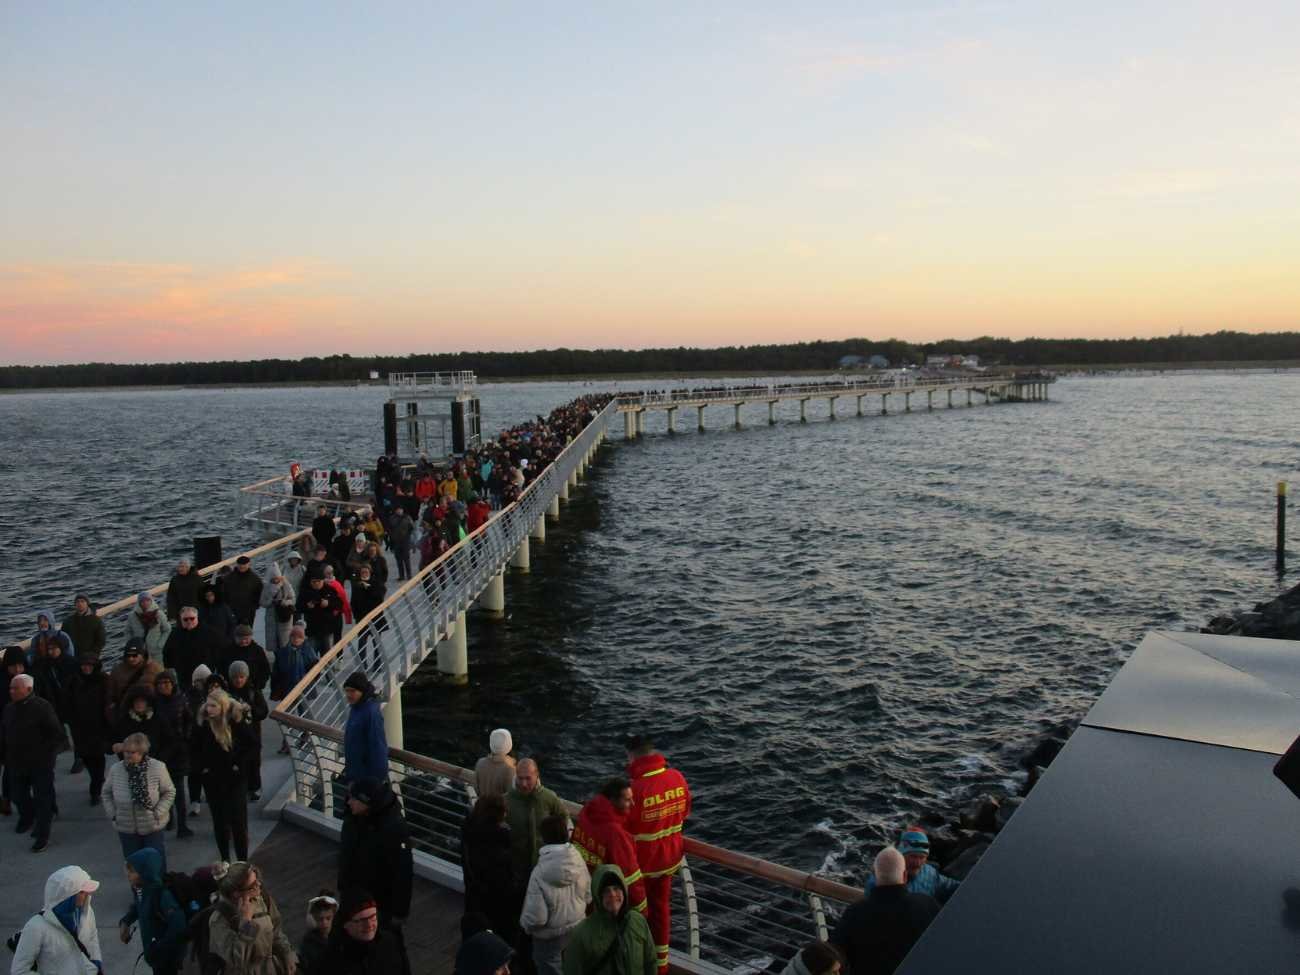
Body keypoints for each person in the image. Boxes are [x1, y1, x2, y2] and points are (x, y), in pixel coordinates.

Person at [624, 736, 691, 973]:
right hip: (670, 859)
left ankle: (637, 963)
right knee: (662, 913)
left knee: (636, 915)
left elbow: (625, 825)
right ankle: (661, 967)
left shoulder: (635, 789)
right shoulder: (677, 778)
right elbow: (685, 812)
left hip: (641, 865)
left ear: (632, 757)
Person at [831, 847, 940, 975]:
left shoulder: (854, 913)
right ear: (904, 876)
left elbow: (832, 954)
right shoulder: (928, 905)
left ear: (875, 875)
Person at [338, 778, 413, 931]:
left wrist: (399, 912)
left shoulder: (394, 829)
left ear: (366, 802)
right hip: (353, 895)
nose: (349, 802)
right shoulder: (353, 819)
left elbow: (402, 873)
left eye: (353, 798)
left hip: (378, 904)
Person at [521, 814, 591, 975]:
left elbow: (536, 918)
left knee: (547, 963)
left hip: (549, 935)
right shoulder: (578, 858)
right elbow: (588, 894)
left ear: (544, 837)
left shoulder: (539, 872)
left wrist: (526, 927)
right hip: (577, 925)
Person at [2, 673, 64, 853]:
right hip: (15, 762)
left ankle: (43, 834)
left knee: (42, 797)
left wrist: (46, 756)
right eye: (10, 688)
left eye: (15, 688)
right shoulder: (9, 709)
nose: (11, 691)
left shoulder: (42, 708)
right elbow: (4, 734)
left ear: (28, 690)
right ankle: (28, 817)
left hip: (39, 763)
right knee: (17, 795)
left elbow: (56, 735)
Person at [195, 689, 257, 862]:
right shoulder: (203, 725)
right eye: (207, 705)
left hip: (235, 779)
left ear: (222, 706)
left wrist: (239, 765)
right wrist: (202, 769)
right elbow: (194, 749)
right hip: (213, 780)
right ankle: (225, 861)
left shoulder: (236, 722)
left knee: (238, 823)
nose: (209, 709)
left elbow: (252, 745)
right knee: (220, 823)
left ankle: (243, 861)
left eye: (213, 706)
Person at [572, 777, 648, 917]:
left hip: (581, 894)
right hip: (606, 903)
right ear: (613, 801)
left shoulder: (587, 813)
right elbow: (631, 878)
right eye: (627, 800)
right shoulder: (615, 834)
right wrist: (641, 912)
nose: (632, 803)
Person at [561, 865, 655, 975]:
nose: (612, 895)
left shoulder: (638, 921)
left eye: (616, 888)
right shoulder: (581, 935)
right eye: (606, 891)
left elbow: (650, 962)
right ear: (597, 896)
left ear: (624, 890)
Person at [207, 861, 298, 975]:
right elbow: (237, 960)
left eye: (257, 880)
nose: (259, 885)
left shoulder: (261, 899)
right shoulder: (219, 920)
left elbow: (276, 930)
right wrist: (246, 922)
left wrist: (286, 953)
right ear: (236, 893)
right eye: (252, 885)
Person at [10, 865, 104, 975]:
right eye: (82, 892)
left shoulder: (86, 912)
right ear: (67, 897)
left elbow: (92, 937)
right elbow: (19, 971)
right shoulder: (35, 927)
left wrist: (97, 962)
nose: (88, 894)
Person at [102, 730, 176, 866]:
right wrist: (113, 814)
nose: (128, 755)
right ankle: (138, 888)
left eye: (132, 752)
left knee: (156, 864)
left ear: (142, 752)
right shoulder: (116, 769)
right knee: (134, 867)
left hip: (152, 826)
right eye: (126, 752)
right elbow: (106, 793)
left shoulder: (157, 767)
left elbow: (169, 792)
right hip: (126, 827)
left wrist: (158, 813)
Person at [119, 847, 188, 975]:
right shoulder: (142, 890)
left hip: (166, 958)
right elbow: (138, 907)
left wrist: (158, 948)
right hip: (155, 956)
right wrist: (126, 921)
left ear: (146, 872)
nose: (128, 874)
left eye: (132, 871)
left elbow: (178, 925)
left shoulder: (162, 895)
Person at [459, 794, 517, 943]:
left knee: (475, 924)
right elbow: (504, 872)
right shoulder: (500, 837)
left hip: (473, 888)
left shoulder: (468, 826)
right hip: (495, 895)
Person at [506, 758, 569, 883]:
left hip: (543, 864)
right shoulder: (507, 800)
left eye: (528, 778)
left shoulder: (548, 797)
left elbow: (563, 816)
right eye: (520, 778)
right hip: (515, 865)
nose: (523, 784)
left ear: (537, 775)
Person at [865, 827, 961, 905]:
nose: (917, 863)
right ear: (900, 856)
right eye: (913, 856)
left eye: (922, 857)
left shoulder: (930, 873)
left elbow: (952, 887)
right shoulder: (879, 882)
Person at [319, 888, 405, 975]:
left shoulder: (391, 941)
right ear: (346, 924)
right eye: (361, 920)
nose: (369, 925)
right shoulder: (333, 959)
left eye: (372, 917)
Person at [152, 668, 195, 838]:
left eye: (166, 683)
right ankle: (169, 819)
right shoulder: (154, 703)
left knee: (177, 789)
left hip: (178, 751)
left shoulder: (181, 700)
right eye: (160, 684)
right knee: (164, 789)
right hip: (161, 752)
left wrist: (185, 738)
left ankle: (182, 824)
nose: (163, 687)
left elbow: (189, 721)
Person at [66, 653, 111, 803]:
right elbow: (68, 702)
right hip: (80, 727)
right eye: (83, 665)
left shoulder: (103, 680)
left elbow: (108, 701)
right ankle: (97, 780)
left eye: (89, 665)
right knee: (86, 757)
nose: (86, 668)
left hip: (98, 725)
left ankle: (95, 789)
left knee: (98, 757)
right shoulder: (73, 681)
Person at [227, 660, 269, 800]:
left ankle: (255, 787)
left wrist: (250, 708)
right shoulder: (228, 694)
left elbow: (263, 711)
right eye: (235, 677)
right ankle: (243, 788)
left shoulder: (253, 692)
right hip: (235, 736)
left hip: (253, 734)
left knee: (254, 762)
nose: (238, 680)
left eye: (241, 677)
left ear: (246, 677)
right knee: (239, 763)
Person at [341, 673, 387, 788]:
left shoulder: (371, 713)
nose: (348, 695)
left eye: (352, 691)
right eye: (347, 691)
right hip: (355, 773)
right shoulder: (356, 707)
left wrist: (376, 780)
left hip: (365, 778)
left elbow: (378, 746)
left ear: (362, 691)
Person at [163, 606, 216, 688]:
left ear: (197, 618)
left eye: (192, 618)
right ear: (181, 620)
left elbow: (217, 651)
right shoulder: (175, 634)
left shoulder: (207, 632)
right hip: (183, 676)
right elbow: (166, 652)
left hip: (204, 674)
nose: (189, 621)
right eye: (185, 619)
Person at [272, 625, 317, 705]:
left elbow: (314, 668)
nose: (296, 639)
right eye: (293, 637)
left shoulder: (308, 651)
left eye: (299, 637)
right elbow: (276, 672)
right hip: (288, 687)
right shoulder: (283, 652)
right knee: (287, 710)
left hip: (303, 687)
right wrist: (275, 689)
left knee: (303, 710)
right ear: (290, 638)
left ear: (303, 639)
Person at [259, 564, 297, 658]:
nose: (276, 580)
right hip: (271, 617)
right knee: (274, 642)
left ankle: (284, 659)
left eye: (278, 578)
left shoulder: (286, 585)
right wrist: (271, 599)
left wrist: (286, 602)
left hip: (284, 616)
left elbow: (293, 599)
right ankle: (278, 659)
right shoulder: (266, 587)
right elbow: (262, 602)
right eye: (274, 578)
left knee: (285, 641)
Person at [298, 891, 337, 975]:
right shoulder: (309, 943)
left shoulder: (341, 937)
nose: (324, 923)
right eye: (320, 919)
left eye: (328, 918)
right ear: (314, 919)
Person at [128, 592, 173, 662]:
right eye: (142, 601)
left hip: (156, 651)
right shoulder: (132, 616)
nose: (145, 603)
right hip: (140, 651)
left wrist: (160, 644)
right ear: (139, 603)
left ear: (151, 601)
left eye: (148, 600)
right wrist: (132, 644)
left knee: (158, 670)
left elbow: (167, 629)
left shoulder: (159, 614)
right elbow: (128, 631)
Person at [223, 556, 265, 629]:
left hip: (248, 612)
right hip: (232, 611)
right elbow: (224, 593)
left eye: (244, 565)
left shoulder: (255, 579)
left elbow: (259, 594)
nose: (242, 567)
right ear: (237, 565)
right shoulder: (229, 578)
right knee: (232, 632)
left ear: (248, 565)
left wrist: (254, 607)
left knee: (246, 632)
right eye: (240, 565)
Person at [473, 728, 516, 799]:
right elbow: (511, 797)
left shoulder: (480, 763)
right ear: (509, 745)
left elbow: (476, 788)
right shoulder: (510, 769)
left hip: (481, 807)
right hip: (498, 809)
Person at [61, 594, 105, 661]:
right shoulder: (68, 621)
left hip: (91, 657)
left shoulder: (96, 620)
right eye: (77, 602)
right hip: (73, 657)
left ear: (87, 603)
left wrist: (93, 654)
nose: (80, 604)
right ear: (75, 604)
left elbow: (101, 640)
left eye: (82, 601)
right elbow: (63, 638)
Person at [387, 507, 415, 581]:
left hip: (405, 541)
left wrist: (407, 535)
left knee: (406, 559)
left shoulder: (407, 517)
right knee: (399, 560)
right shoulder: (392, 518)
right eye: (397, 509)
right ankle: (401, 575)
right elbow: (389, 528)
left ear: (402, 510)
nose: (399, 511)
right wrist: (392, 537)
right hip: (396, 541)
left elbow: (412, 527)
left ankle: (409, 575)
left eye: (400, 509)